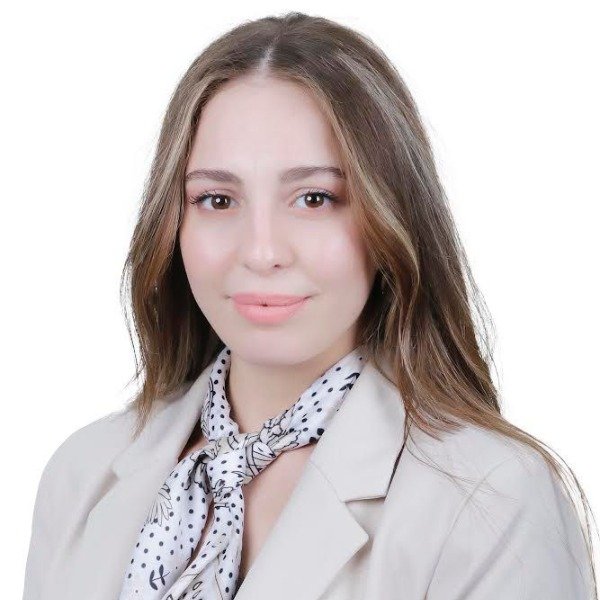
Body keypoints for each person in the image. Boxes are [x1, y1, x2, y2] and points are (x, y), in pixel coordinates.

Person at [23, 11, 598, 600]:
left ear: (390, 218)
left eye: (315, 198)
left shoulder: (492, 498)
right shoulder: (82, 473)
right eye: (217, 199)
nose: (262, 251)